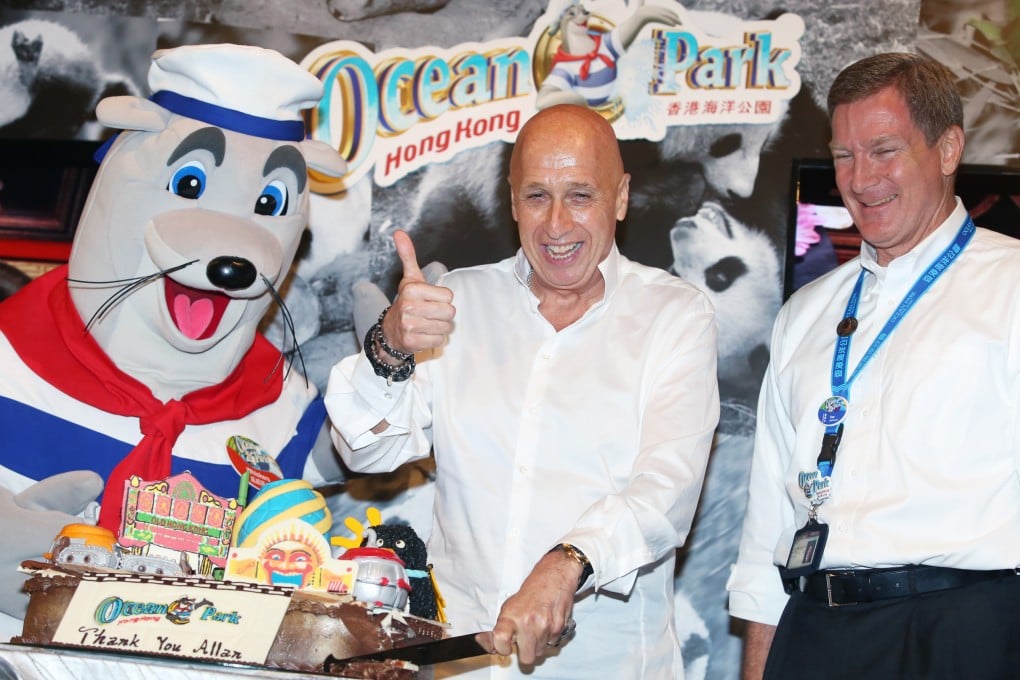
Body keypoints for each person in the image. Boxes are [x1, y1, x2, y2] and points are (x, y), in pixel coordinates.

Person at [324, 103, 719, 679]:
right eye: (537, 196)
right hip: (465, 664)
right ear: (511, 201)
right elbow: (366, 451)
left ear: (623, 196)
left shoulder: (675, 315)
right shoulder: (457, 301)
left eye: (580, 195)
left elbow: (666, 489)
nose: (556, 225)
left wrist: (569, 562)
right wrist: (390, 342)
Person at [726, 52, 1020, 679]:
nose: (860, 180)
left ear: (947, 150)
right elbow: (766, 527)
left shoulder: (1013, 285)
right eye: (843, 156)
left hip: (965, 634)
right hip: (812, 632)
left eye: (884, 150)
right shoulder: (804, 314)